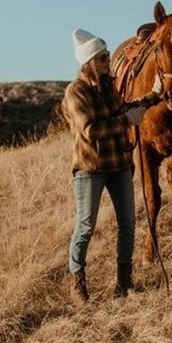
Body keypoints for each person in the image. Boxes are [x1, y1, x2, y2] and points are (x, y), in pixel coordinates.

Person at [61, 28, 147, 304]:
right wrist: (128, 121)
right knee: (85, 226)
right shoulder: (76, 92)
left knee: (127, 224)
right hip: (90, 167)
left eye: (107, 56)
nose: (108, 61)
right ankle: (77, 283)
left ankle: (124, 282)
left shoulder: (109, 85)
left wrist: (147, 101)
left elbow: (120, 110)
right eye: (103, 57)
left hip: (119, 163)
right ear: (89, 62)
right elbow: (90, 130)